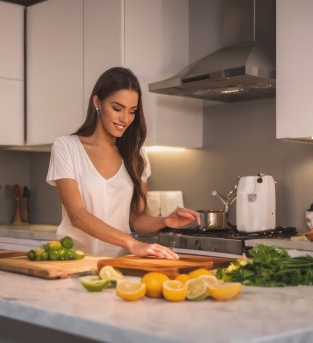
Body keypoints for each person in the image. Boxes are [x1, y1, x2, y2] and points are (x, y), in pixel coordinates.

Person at [46, 67, 200, 259]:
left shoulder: (138, 157)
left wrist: (164, 221)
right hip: (74, 260)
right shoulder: (66, 147)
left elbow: (135, 220)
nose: (125, 119)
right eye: (117, 108)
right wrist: (133, 244)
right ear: (97, 102)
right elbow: (77, 215)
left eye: (132, 111)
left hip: (119, 263)